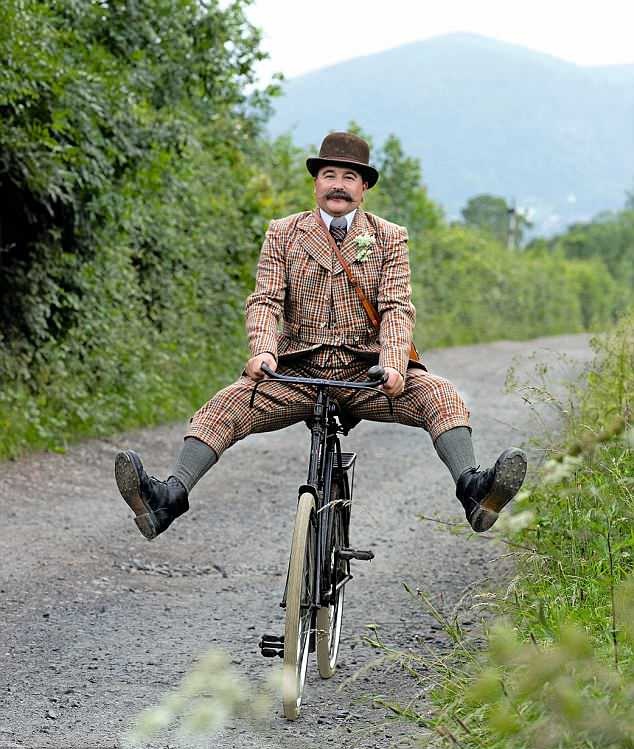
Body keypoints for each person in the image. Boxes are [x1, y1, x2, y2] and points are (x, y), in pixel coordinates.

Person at [114, 131, 527, 540]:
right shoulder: (283, 232)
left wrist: (394, 366)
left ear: (363, 188)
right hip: (296, 372)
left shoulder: (388, 236)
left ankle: (475, 491)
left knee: (440, 394)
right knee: (226, 405)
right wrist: (263, 352)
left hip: (367, 373)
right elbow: (265, 300)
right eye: (329, 175)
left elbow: (396, 308)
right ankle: (167, 498)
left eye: (349, 177)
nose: (338, 185)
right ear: (316, 183)